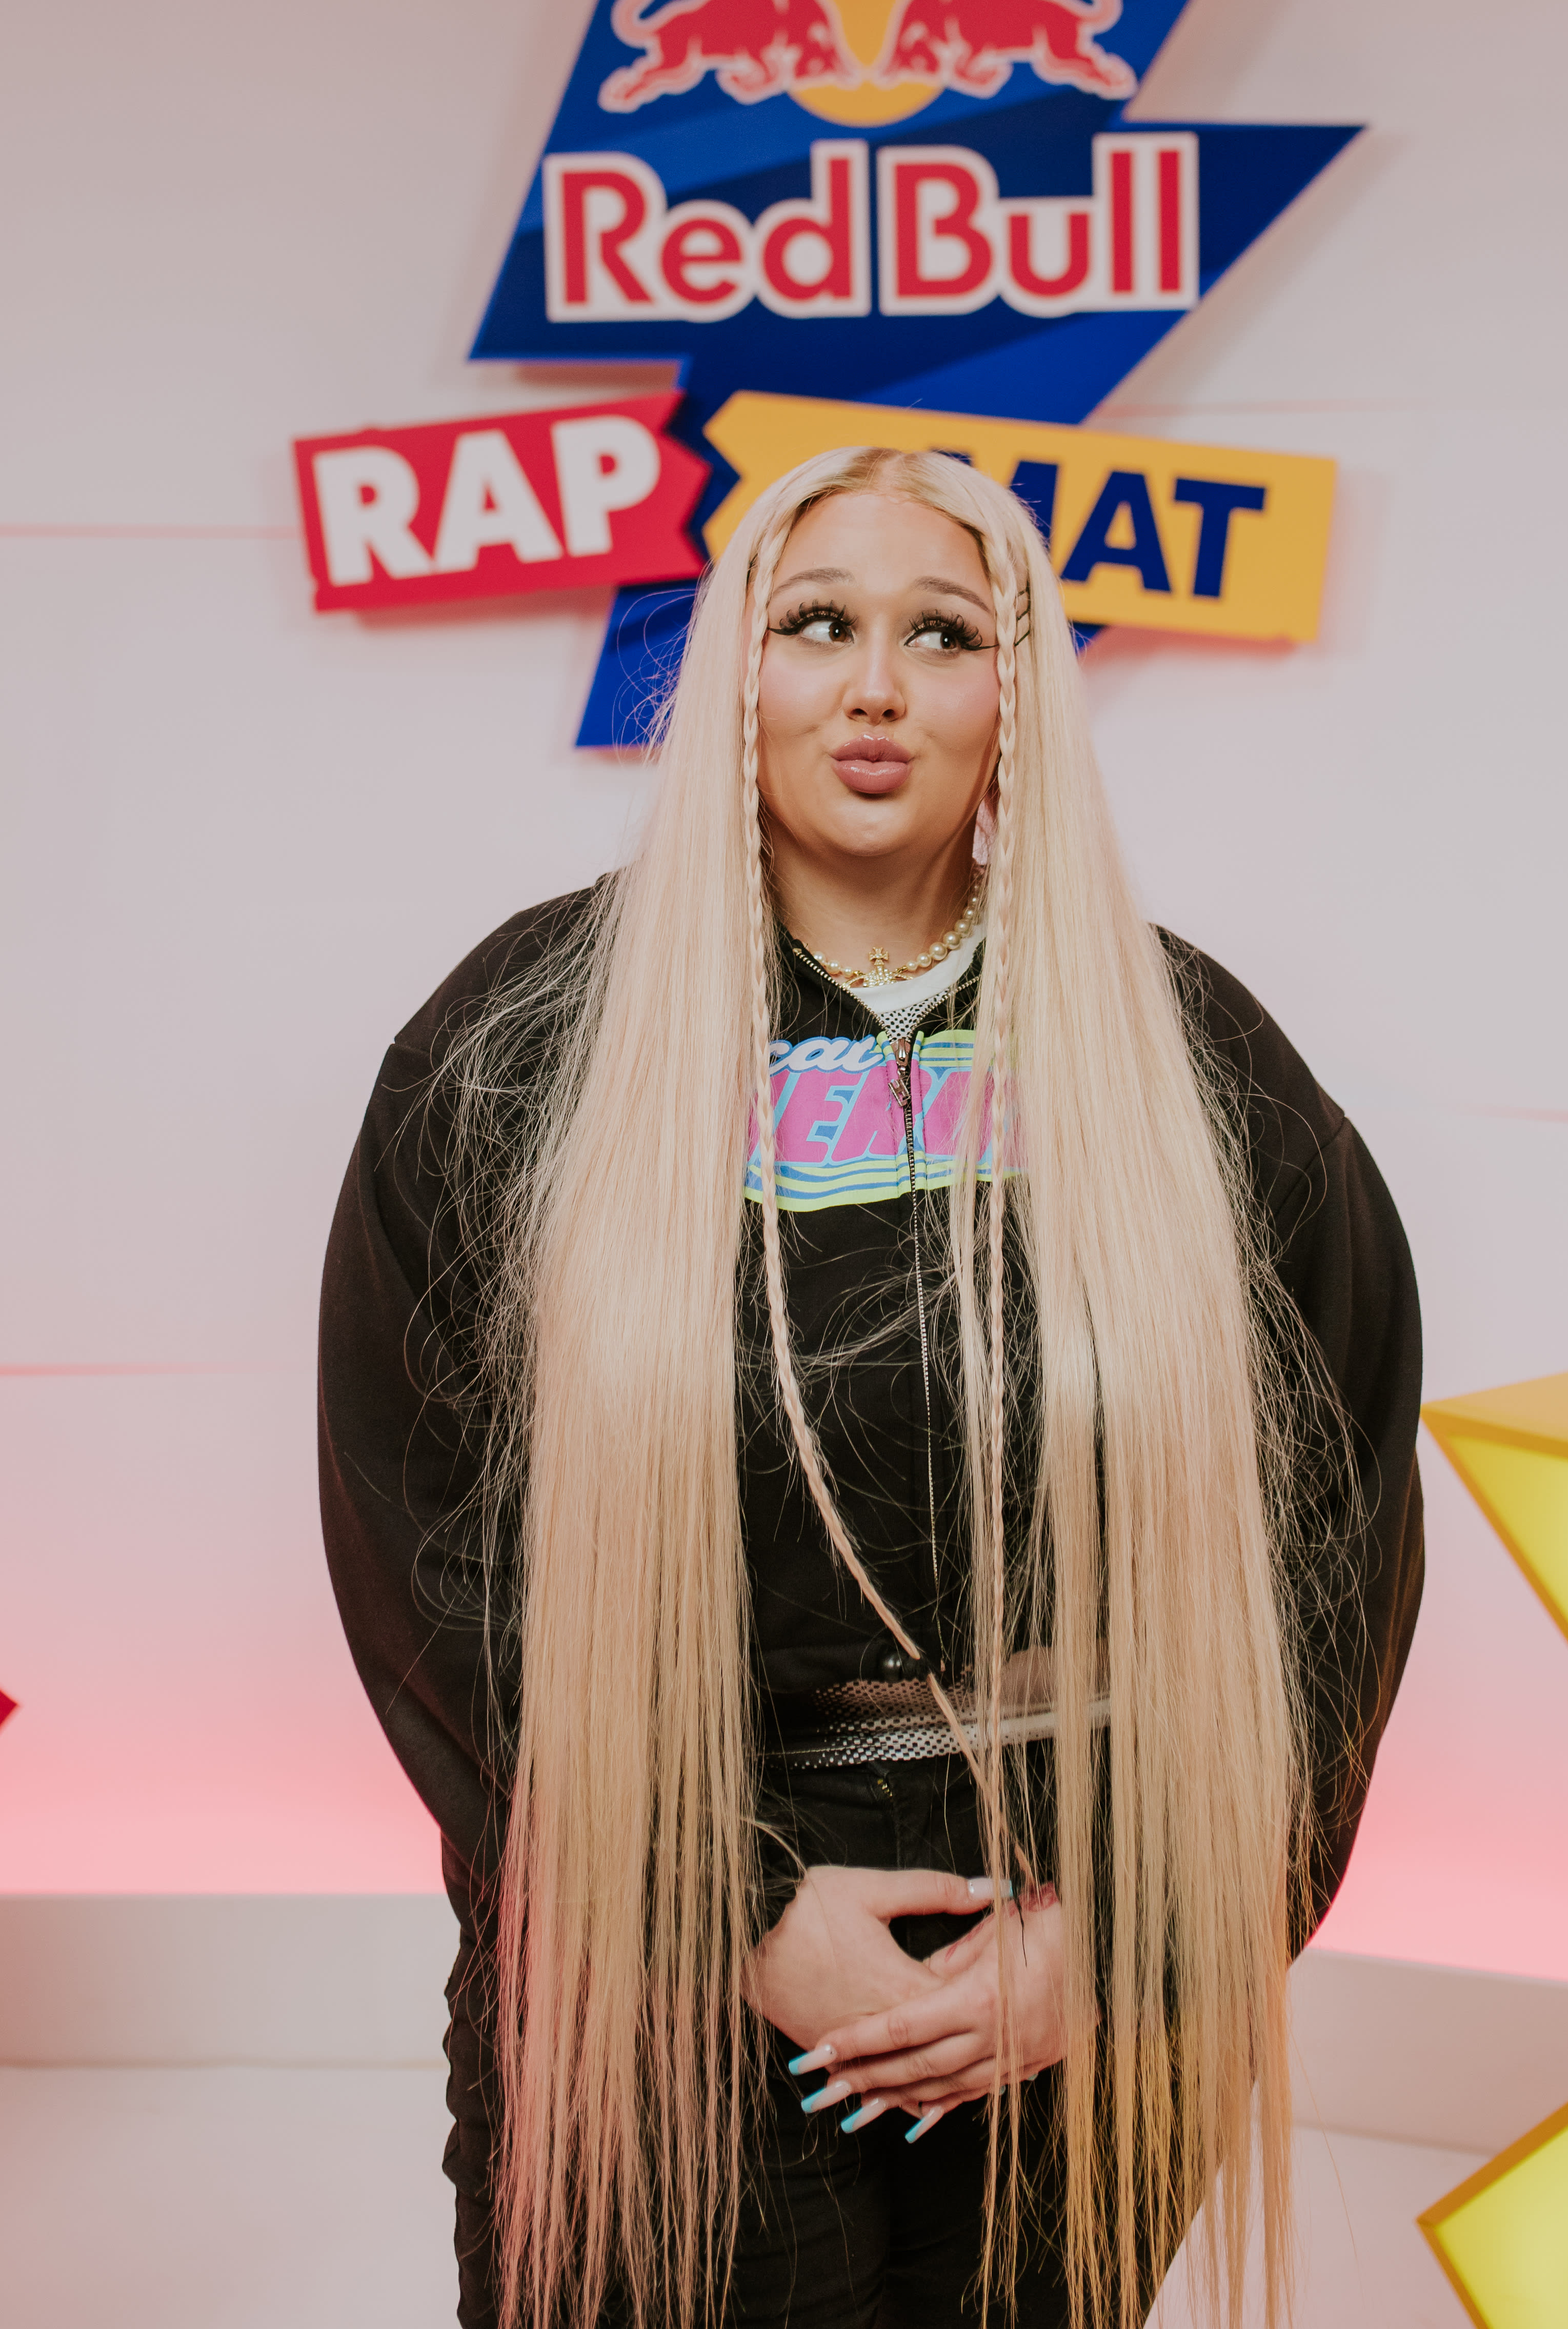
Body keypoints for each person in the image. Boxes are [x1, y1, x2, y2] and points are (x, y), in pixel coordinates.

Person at [318, 447, 1423, 2329]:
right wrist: (731, 1909)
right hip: (658, 1939)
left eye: (945, 635)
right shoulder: (529, 1036)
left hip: (1069, 1940)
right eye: (818, 623)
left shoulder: (1186, 1052)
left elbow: (1333, 1531)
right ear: (731, 674)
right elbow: (426, 1530)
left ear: (1019, 696)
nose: (877, 688)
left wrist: (1136, 1940)